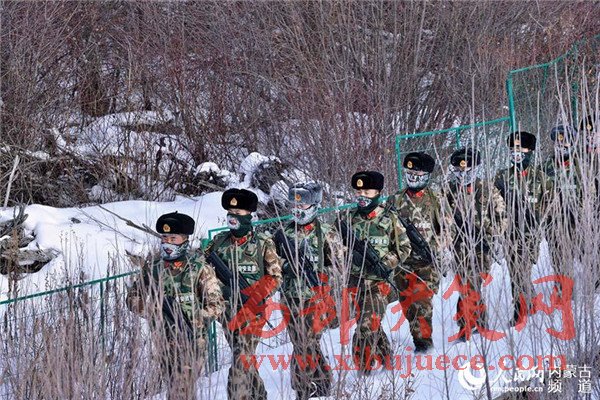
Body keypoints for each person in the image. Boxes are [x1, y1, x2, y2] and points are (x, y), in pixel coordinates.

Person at [126, 212, 224, 398]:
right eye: (164, 238)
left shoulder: (199, 268)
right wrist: (151, 310)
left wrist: (194, 320)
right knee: (173, 387)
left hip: (192, 340)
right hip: (163, 340)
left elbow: (216, 305)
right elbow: (133, 297)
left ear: (185, 240)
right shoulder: (153, 268)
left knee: (182, 387)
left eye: (173, 238)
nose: (168, 243)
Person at [205, 188, 282, 400]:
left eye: (238, 213)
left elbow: (275, 277)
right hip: (228, 314)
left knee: (240, 360)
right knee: (244, 358)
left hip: (253, 313)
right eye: (230, 213)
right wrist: (221, 290)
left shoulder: (262, 243)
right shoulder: (218, 242)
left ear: (249, 215)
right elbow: (203, 273)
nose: (233, 217)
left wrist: (255, 295)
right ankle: (259, 396)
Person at [272, 182, 343, 399]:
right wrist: (286, 266)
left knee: (307, 342)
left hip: (316, 297)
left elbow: (339, 265)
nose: (297, 210)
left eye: (302, 206)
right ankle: (320, 382)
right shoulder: (282, 233)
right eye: (293, 206)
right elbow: (270, 263)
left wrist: (322, 277)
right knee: (300, 342)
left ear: (314, 207)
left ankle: (306, 387)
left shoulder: (326, 233)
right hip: (290, 296)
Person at [337, 171, 410, 372]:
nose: (362, 196)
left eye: (367, 192)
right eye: (358, 192)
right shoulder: (347, 218)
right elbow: (333, 245)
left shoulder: (389, 218)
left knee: (365, 326)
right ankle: (387, 359)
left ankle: (363, 370)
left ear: (377, 192)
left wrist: (386, 263)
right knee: (370, 322)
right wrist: (348, 254)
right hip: (354, 282)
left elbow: (404, 248)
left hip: (379, 285)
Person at [445, 148, 507, 341]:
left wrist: (491, 233)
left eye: (467, 169)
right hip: (459, 247)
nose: (462, 174)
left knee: (472, 283)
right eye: (458, 170)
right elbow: (442, 217)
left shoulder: (487, 189)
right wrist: (448, 237)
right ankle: (475, 322)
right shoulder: (449, 191)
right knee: (465, 284)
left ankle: (472, 323)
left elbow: (502, 216)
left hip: (482, 247)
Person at [494, 131, 552, 325]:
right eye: (512, 149)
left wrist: (539, 220)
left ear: (530, 151)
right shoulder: (502, 176)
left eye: (521, 149)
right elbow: (493, 203)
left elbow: (551, 204)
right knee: (516, 270)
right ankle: (525, 304)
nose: (516, 153)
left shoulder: (541, 178)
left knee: (520, 269)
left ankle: (524, 306)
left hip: (531, 232)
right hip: (510, 232)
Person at [389, 152, 443, 352]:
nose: (413, 177)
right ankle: (418, 337)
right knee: (408, 306)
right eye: (409, 173)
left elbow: (447, 230)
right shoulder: (395, 200)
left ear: (427, 175)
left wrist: (435, 249)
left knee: (422, 304)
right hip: (403, 265)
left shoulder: (436, 200)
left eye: (417, 173)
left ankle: (425, 346)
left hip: (427, 265)